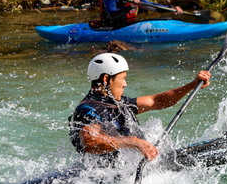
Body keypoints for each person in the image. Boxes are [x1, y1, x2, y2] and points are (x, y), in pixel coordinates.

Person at [68, 53, 210, 162]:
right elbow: (90, 142)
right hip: (103, 178)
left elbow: (158, 101)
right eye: (122, 78)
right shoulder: (87, 109)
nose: (125, 84)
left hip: (127, 169)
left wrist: (192, 85)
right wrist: (134, 143)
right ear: (106, 79)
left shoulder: (119, 103)